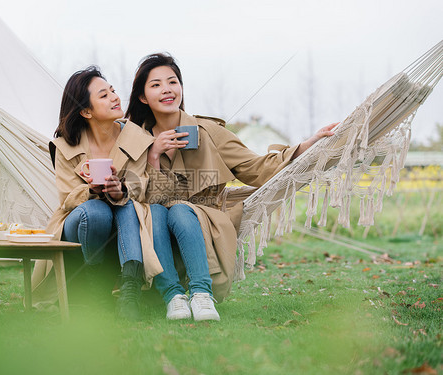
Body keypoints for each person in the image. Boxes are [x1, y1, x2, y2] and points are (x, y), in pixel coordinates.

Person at [126, 52, 336, 319]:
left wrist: (307, 145)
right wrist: (154, 154)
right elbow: (138, 195)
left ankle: (202, 295)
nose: (167, 90)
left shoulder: (208, 131)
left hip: (204, 219)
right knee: (156, 212)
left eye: (172, 82)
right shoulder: (137, 140)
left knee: (180, 210)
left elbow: (256, 167)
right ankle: (174, 297)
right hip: (155, 225)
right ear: (143, 97)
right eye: (155, 85)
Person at [31, 66, 165, 321]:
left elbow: (142, 187)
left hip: (124, 227)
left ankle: (130, 294)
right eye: (104, 95)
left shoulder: (136, 138)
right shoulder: (65, 145)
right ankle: (97, 290)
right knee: (96, 211)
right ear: (85, 111)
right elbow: (66, 198)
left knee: (126, 205)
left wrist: (121, 190)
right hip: (80, 225)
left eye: (113, 91)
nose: (115, 97)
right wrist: (91, 190)